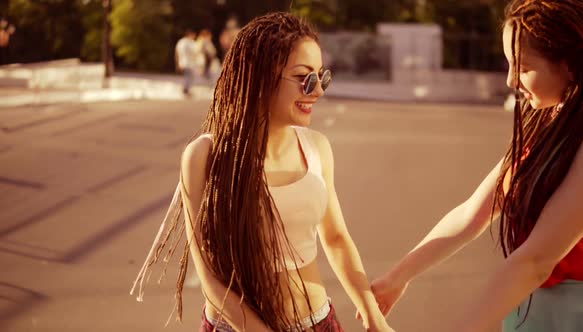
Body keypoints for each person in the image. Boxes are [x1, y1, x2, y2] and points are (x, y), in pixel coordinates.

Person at [131, 12, 393, 332]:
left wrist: (372, 315)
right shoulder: (204, 156)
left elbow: (337, 239)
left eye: (322, 77)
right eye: (304, 77)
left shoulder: (317, 148)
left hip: (317, 322)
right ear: (260, 76)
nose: (318, 91)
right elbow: (211, 277)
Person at [368, 1, 583, 331]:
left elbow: (536, 260)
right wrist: (397, 277)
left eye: (523, 67)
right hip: (528, 312)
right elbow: (474, 213)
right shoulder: (547, 119)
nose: (510, 80)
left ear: (570, 65)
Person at [175, 28, 198, 96]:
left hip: (182, 62)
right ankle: (186, 89)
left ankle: (185, 89)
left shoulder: (181, 42)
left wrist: (177, 63)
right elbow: (195, 53)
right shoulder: (191, 43)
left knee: (186, 76)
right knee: (189, 77)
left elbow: (177, 52)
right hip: (189, 63)